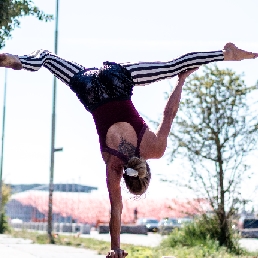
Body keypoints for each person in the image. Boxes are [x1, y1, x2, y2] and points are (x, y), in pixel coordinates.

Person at [0, 43, 257, 258]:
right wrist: (115, 249)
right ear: (127, 177)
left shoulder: (153, 149)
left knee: (175, 65)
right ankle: (19, 60)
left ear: (146, 172)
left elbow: (170, 113)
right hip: (88, 88)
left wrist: (181, 80)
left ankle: (227, 54)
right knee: (46, 56)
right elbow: (116, 210)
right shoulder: (112, 166)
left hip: (119, 81)